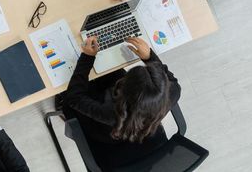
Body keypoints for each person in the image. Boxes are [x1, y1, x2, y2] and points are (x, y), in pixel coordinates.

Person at [60, 36, 180, 168]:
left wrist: (87, 57)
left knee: (67, 90)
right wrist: (149, 57)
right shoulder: (172, 93)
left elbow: (74, 97)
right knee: (107, 70)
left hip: (103, 132)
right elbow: (170, 79)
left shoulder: (111, 113)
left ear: (123, 89)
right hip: (137, 133)